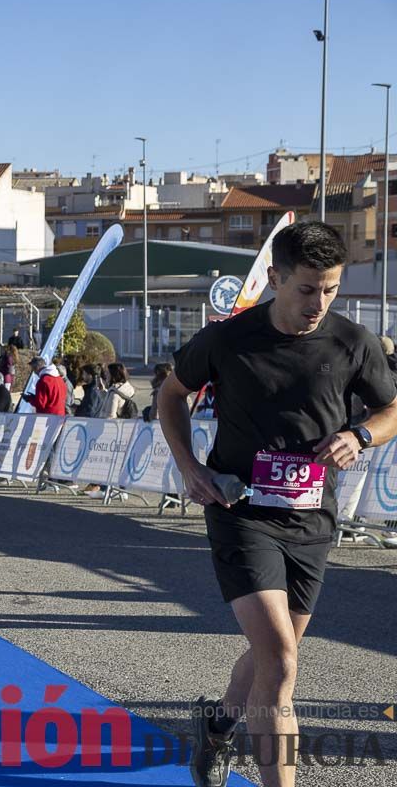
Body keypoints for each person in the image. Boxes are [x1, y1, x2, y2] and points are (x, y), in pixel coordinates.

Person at [157, 221, 397, 787]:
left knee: (274, 656)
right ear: (275, 279)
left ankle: (217, 726)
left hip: (312, 519)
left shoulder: (352, 343)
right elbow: (172, 393)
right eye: (307, 289)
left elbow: (392, 410)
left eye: (331, 289)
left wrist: (361, 436)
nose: (320, 303)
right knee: (283, 662)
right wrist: (190, 467)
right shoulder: (228, 338)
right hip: (241, 512)